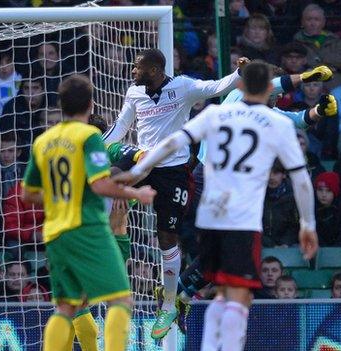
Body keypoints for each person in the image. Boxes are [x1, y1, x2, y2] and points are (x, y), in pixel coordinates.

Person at [115, 61, 318, 351]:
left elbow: (173, 142)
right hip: (242, 219)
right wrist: (308, 225)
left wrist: (136, 172)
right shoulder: (277, 124)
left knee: (222, 292)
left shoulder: (216, 114)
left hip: (210, 217)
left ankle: (182, 298)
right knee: (239, 298)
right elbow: (300, 178)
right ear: (269, 90)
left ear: (243, 85)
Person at [102, 48, 245, 340]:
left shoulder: (183, 87)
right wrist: (94, 146)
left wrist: (239, 73)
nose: (132, 72)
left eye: (136, 68)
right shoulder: (134, 93)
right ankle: (97, 238)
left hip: (172, 170)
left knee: (167, 237)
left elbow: (216, 87)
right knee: (111, 176)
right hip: (143, 160)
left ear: (153, 70)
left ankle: (169, 303)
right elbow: (120, 126)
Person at [21, 74, 155, 351]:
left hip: (56, 233)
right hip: (87, 229)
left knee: (66, 307)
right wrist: (136, 193)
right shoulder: (89, 136)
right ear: (91, 105)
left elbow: (28, 194)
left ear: (61, 105)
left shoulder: (43, 141)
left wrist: (63, 195)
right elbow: (100, 184)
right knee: (120, 300)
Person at [314, 172, 341, 247]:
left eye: (328, 191)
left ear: (334, 192)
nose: (324, 194)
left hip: (339, 248)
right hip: (318, 248)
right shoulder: (311, 208)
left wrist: (334, 249)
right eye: (320, 190)